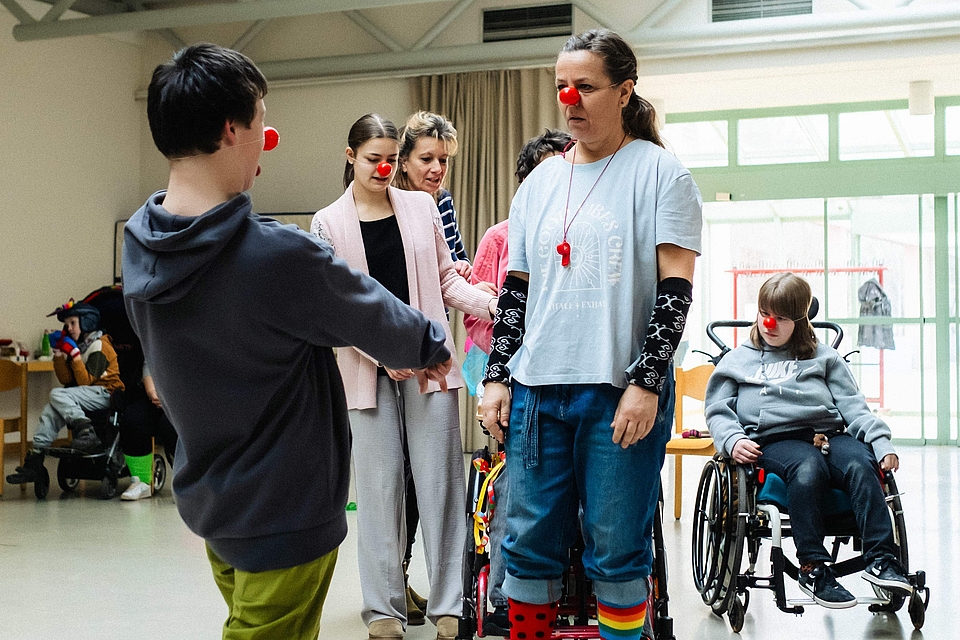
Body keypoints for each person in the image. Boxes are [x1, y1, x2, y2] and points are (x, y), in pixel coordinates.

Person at [122, 45, 452, 640]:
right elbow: (371, 313)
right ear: (232, 130)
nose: (265, 138)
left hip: (214, 502)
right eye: (261, 120)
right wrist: (431, 345)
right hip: (286, 509)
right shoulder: (274, 255)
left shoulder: (141, 245)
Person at [479, 29, 702, 640]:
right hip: (536, 391)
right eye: (561, 87)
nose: (570, 99)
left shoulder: (662, 174)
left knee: (616, 547)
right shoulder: (539, 183)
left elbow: (675, 292)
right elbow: (516, 291)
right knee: (526, 545)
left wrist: (648, 383)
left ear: (624, 92)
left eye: (586, 86)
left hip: (618, 392)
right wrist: (497, 376)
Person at [312, 113, 497, 640]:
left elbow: (444, 280)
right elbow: (333, 308)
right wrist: (379, 352)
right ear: (351, 156)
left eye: (391, 159)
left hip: (428, 365)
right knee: (379, 491)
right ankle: (383, 611)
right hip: (365, 371)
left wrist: (493, 305)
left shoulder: (421, 207)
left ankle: (449, 605)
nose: (384, 168)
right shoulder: (327, 223)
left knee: (441, 486)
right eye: (373, 159)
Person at [704, 272, 913, 609]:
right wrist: (732, 439)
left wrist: (880, 443)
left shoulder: (824, 357)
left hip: (830, 435)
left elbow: (854, 408)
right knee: (808, 465)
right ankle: (813, 567)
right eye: (764, 314)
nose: (769, 324)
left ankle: (881, 560)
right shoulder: (737, 361)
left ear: (800, 320)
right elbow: (717, 410)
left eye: (781, 318)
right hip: (774, 441)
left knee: (862, 463)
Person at [463, 128, 571, 637]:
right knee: (515, 484)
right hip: (514, 378)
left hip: (575, 381)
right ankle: (508, 595)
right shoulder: (501, 238)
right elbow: (477, 319)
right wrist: (504, 371)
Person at [392, 109, 471, 621]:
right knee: (397, 477)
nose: (437, 168)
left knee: (430, 479)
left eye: (443, 159)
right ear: (403, 161)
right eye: (427, 158)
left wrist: (463, 270)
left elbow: (452, 264)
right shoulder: (383, 202)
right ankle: (395, 582)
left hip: (430, 350)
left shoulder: (440, 204)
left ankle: (431, 587)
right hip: (389, 353)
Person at [5, 300, 124, 487]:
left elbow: (86, 381)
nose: (69, 328)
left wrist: (75, 356)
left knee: (57, 394)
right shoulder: (79, 345)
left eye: (73, 323)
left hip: (105, 393)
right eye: (67, 324)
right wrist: (59, 355)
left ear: (87, 322)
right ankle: (36, 458)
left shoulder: (100, 345)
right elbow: (66, 379)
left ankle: (86, 431)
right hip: (86, 394)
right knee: (51, 408)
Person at [118, 362, 178, 501]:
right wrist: (153, 393)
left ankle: (189, 481)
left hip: (184, 399)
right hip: (156, 396)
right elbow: (149, 366)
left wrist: (172, 398)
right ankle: (141, 481)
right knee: (133, 419)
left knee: (171, 426)